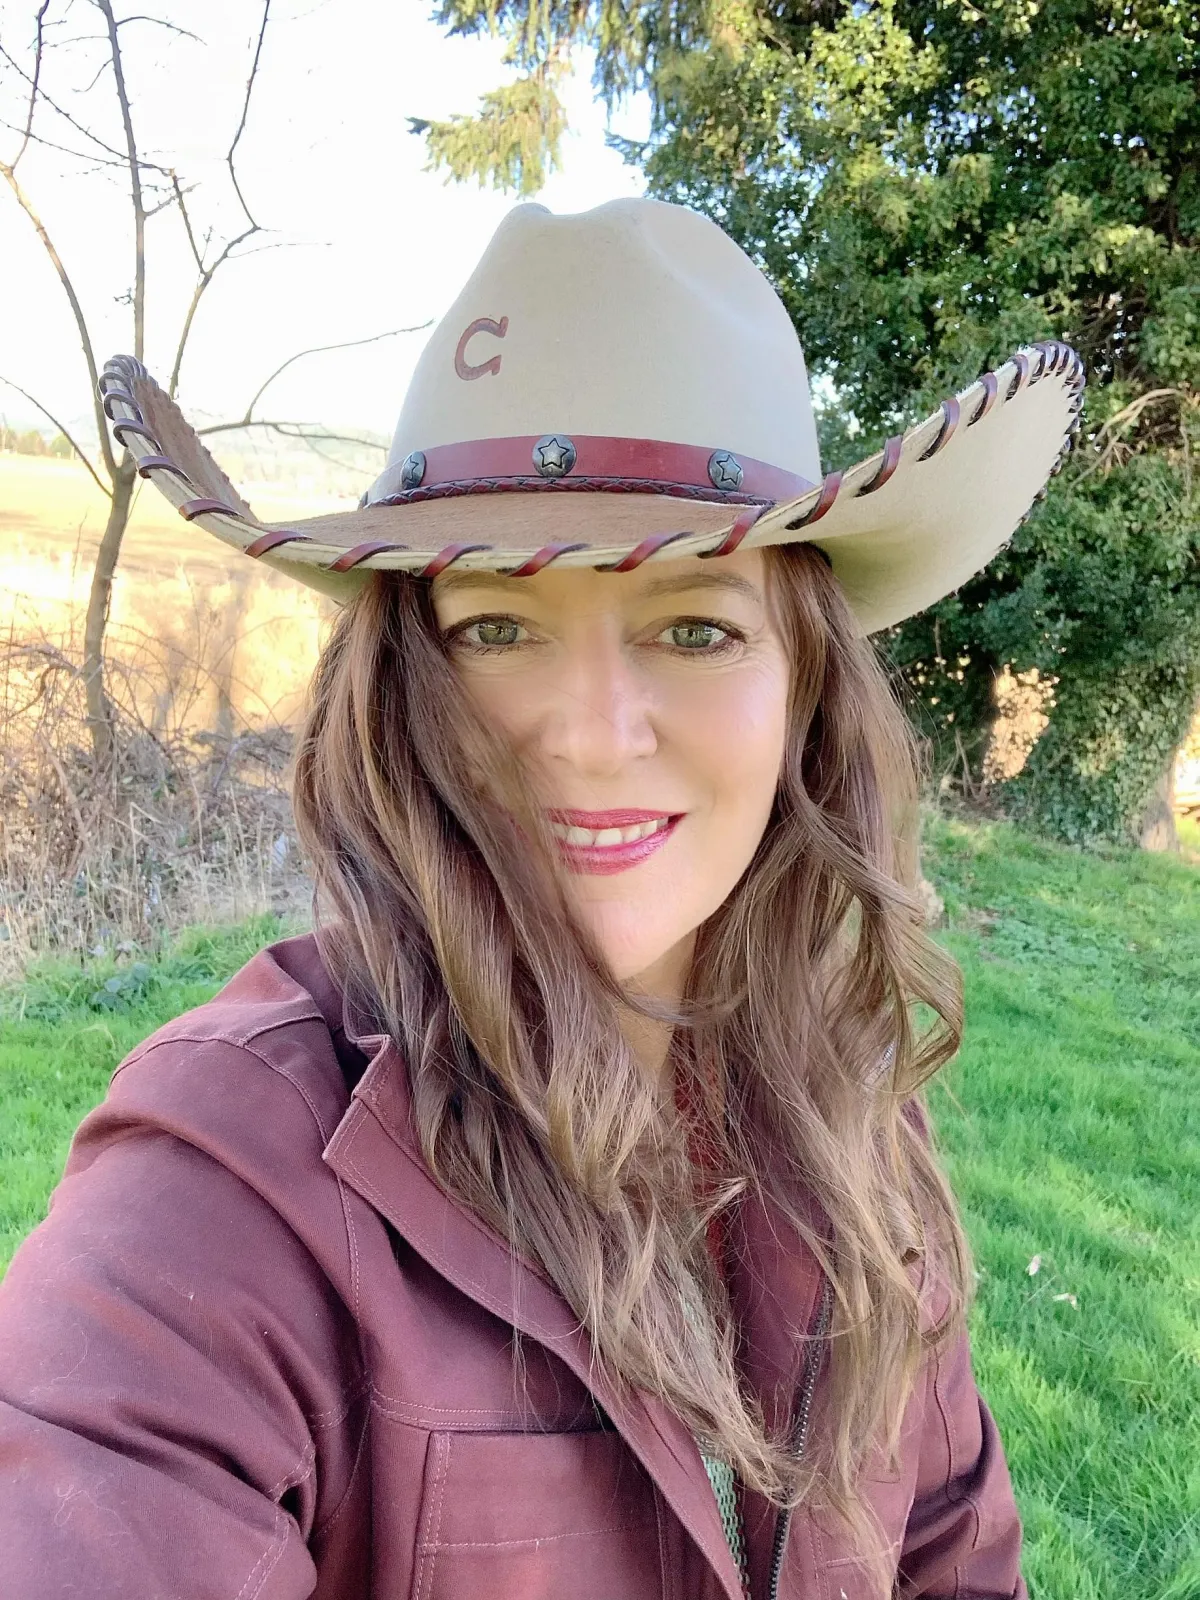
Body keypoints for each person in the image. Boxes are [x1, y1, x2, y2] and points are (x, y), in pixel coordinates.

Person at [0, 198, 1083, 1599]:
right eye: (497, 627)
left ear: (807, 684)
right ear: (405, 681)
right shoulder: (227, 1181)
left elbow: (947, 1554)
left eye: (695, 626)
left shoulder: (854, 1112)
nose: (588, 732)